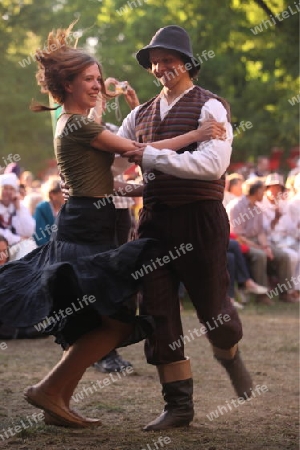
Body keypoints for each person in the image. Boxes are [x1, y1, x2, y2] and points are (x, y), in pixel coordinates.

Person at [0, 23, 219, 429]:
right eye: (88, 79)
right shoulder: (79, 125)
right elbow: (137, 150)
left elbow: (106, 152)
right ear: (66, 84)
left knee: (101, 318)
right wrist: (198, 133)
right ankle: (50, 389)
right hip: (88, 227)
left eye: (99, 78)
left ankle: (56, 399)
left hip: (89, 221)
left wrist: (124, 112)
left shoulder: (75, 121)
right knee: (115, 319)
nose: (98, 85)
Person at [120, 25, 253, 432]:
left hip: (201, 220)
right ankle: (178, 406)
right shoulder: (137, 114)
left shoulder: (212, 108)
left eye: (168, 59)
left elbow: (211, 166)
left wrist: (149, 157)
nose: (161, 67)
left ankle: (229, 354)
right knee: (157, 311)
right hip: (155, 222)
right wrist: (109, 180)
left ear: (187, 62)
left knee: (214, 313)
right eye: (155, 61)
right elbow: (115, 153)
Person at [227, 178, 296, 303]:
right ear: (256, 191)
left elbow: (260, 233)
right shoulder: (236, 207)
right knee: (260, 256)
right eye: (262, 191)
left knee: (283, 256)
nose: (263, 194)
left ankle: (285, 293)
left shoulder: (257, 208)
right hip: (241, 242)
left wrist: (266, 246)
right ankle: (263, 295)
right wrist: (260, 248)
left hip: (256, 241)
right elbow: (236, 235)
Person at [33, 177, 64, 246]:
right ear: (52, 194)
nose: (65, 194)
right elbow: (39, 235)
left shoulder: (66, 208)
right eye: (62, 192)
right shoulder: (42, 208)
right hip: (48, 249)